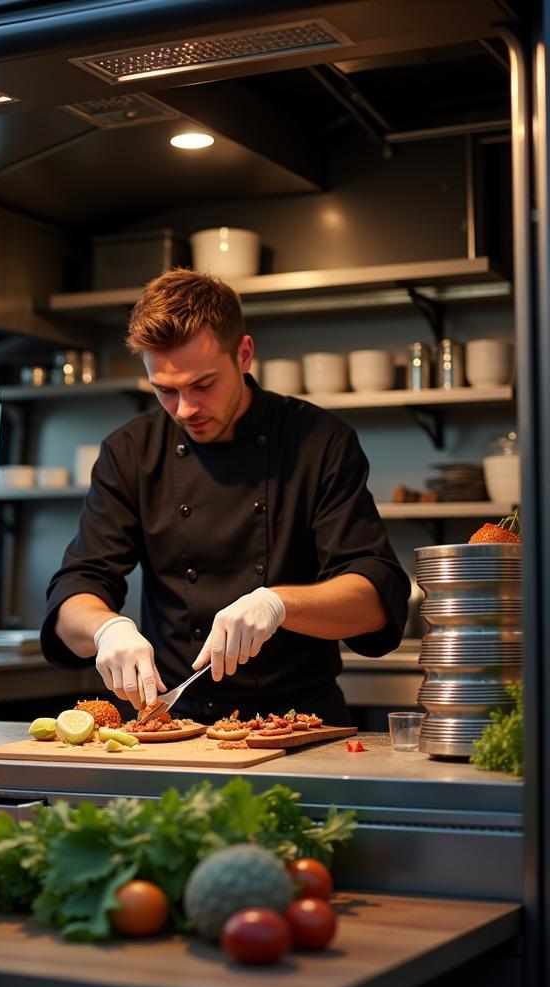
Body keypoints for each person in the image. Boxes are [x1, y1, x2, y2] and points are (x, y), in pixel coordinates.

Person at [41, 269, 409, 726]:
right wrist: (105, 628)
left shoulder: (320, 442)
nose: (185, 409)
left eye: (203, 384)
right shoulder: (130, 451)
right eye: (165, 391)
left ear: (244, 355)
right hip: (174, 721)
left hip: (300, 724)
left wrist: (280, 605)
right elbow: (76, 589)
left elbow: (375, 596)